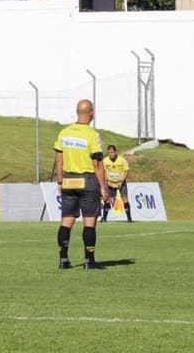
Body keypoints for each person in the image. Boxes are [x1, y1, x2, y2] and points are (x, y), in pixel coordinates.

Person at [54, 99, 109, 270]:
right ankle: (89, 260)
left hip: (69, 181)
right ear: (91, 113)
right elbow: (97, 164)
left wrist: (60, 181)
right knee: (90, 221)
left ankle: (63, 260)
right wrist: (102, 186)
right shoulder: (92, 135)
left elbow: (59, 160)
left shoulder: (64, 133)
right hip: (87, 180)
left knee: (66, 220)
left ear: (77, 112)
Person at [102, 144, 132, 223]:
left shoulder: (122, 160)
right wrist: (107, 181)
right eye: (109, 152)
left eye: (112, 152)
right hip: (110, 183)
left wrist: (121, 182)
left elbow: (126, 171)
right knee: (107, 200)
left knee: (124, 199)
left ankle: (129, 218)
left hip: (121, 183)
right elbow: (104, 172)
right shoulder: (105, 160)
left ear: (115, 152)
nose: (110, 154)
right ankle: (104, 218)